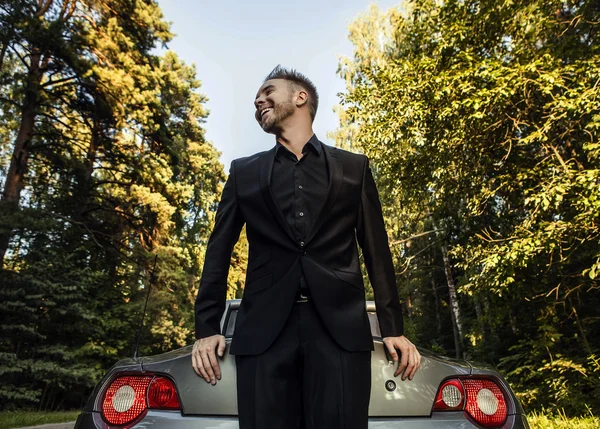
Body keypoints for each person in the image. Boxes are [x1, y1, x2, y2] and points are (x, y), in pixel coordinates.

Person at [192, 65, 420, 429]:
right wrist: (206, 329)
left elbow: (377, 251)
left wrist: (393, 327)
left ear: (301, 98)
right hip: (263, 334)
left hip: (340, 334)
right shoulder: (243, 172)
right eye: (256, 97)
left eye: (268, 91)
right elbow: (218, 251)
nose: (257, 100)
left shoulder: (353, 168)